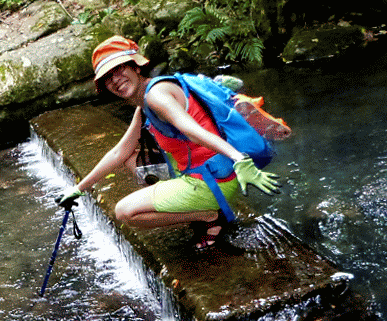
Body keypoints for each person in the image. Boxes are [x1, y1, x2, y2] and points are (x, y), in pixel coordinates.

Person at [56, 35, 284, 250]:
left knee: (125, 211)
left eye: (119, 69)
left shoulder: (156, 96)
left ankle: (209, 215)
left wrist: (238, 159)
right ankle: (202, 208)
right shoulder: (144, 103)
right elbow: (120, 151)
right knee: (132, 159)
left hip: (215, 178)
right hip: (208, 170)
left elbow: (191, 130)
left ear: (136, 67)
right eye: (108, 78)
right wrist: (78, 189)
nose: (116, 80)